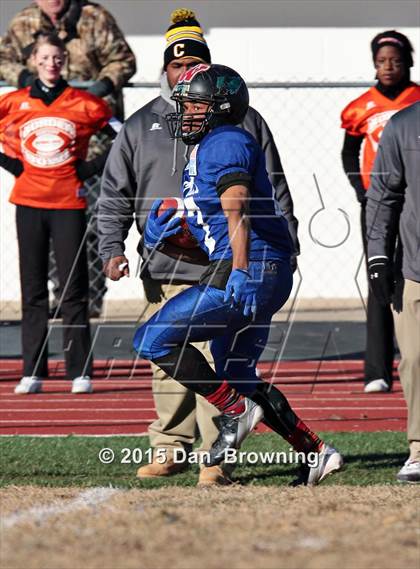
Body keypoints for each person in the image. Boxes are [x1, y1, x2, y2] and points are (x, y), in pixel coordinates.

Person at [98, 9, 299, 486]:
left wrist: (284, 240)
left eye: (194, 64)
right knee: (168, 362)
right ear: (164, 70)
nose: (184, 72)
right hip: (170, 260)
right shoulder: (141, 124)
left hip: (230, 259)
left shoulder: (242, 122)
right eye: (175, 65)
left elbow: (271, 185)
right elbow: (114, 192)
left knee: (223, 360)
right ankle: (169, 447)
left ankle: (218, 459)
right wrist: (113, 246)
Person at [130, 63, 343, 485]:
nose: (185, 112)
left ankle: (234, 410)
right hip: (255, 266)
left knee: (151, 339)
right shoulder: (208, 145)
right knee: (238, 375)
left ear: (219, 107)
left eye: (193, 104)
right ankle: (317, 452)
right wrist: (165, 240)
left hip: (252, 267)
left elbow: (237, 206)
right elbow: (211, 239)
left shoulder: (226, 140)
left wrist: (242, 271)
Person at [0, 0, 136, 317]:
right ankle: (60, 292)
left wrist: (101, 86)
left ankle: (88, 297)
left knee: (94, 221)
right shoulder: (23, 22)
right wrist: (24, 79)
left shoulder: (94, 17)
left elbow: (123, 60)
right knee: (46, 228)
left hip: (95, 140)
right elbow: (3, 59)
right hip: (45, 148)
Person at [0, 33, 118, 395]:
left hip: (69, 202)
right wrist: (14, 166)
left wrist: (89, 169)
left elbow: (121, 138)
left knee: (73, 288)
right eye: (45, 57)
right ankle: (32, 371)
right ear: (34, 60)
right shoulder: (15, 102)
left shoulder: (85, 103)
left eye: (58, 58)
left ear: (64, 61)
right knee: (33, 288)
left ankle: (79, 370)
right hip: (29, 202)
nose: (52, 63)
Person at [340, 30, 420, 393]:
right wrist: (362, 192)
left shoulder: (416, 99)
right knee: (380, 276)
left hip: (413, 201)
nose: (388, 66)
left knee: (411, 279)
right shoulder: (361, 106)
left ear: (409, 62)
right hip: (379, 201)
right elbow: (348, 154)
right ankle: (377, 369)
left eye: (395, 59)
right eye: (381, 60)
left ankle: (410, 359)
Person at [366, 101, 420, 483]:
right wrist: (379, 256)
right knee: (416, 360)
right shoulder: (403, 124)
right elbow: (384, 195)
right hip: (415, 267)